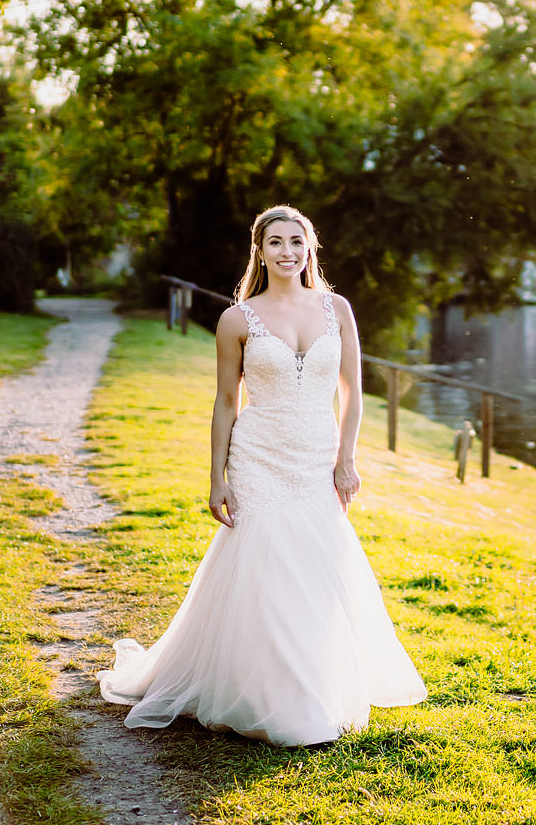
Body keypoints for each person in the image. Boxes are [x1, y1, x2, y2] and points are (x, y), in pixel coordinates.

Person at [97, 205, 427, 744]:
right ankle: (270, 697)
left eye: (297, 241)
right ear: (260, 250)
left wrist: (347, 458)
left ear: (311, 247)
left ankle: (313, 681)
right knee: (266, 569)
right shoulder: (237, 320)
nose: (288, 252)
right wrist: (216, 477)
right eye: (276, 242)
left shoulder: (336, 309)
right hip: (258, 457)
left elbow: (353, 393)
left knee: (317, 569)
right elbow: (227, 402)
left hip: (317, 457)